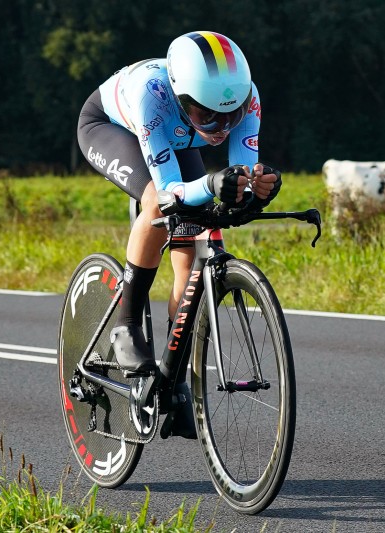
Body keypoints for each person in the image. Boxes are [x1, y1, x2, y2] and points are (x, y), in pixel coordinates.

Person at [76, 31, 281, 438]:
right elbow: (171, 191)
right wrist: (214, 184)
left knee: (193, 251)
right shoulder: (154, 93)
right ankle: (127, 324)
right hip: (113, 126)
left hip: (178, 134)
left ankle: (174, 377)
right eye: (209, 115)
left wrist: (258, 189)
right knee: (156, 201)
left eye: (231, 116)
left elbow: (239, 176)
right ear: (184, 98)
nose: (222, 128)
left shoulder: (246, 98)